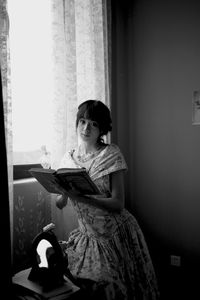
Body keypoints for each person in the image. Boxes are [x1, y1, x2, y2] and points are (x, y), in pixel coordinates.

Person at [55, 100, 160, 300]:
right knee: (85, 289)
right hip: (87, 235)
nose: (86, 128)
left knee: (117, 289)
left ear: (101, 128)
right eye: (83, 121)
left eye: (94, 124)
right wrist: (63, 192)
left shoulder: (111, 154)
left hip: (115, 234)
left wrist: (83, 198)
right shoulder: (67, 159)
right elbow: (61, 204)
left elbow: (118, 203)